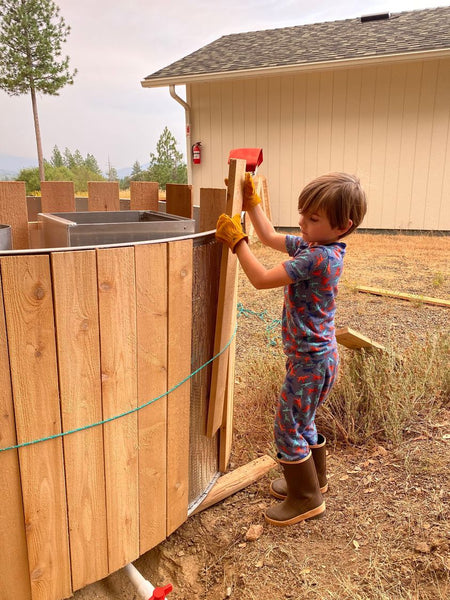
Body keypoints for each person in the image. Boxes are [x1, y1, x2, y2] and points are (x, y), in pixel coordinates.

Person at [215, 172, 367, 527]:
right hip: (318, 358)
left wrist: (238, 244)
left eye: (312, 218)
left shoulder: (318, 258)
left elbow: (261, 279)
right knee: (303, 421)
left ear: (342, 225)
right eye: (303, 213)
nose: (301, 222)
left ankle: (305, 498)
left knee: (287, 428)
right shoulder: (317, 247)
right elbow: (269, 236)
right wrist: (252, 204)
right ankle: (315, 481)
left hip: (310, 362)